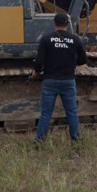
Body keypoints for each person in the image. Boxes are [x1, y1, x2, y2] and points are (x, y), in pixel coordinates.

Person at [31, 13, 87, 143]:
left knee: (46, 113)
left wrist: (36, 72)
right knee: (72, 112)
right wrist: (71, 64)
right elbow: (83, 60)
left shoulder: (46, 39)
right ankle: (76, 140)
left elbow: (39, 61)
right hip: (68, 80)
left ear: (54, 23)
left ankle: (39, 141)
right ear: (67, 24)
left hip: (50, 80)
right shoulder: (75, 39)